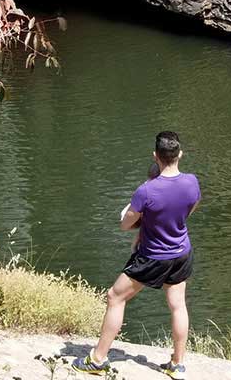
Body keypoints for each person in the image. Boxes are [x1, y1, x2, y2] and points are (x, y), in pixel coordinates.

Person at [74, 131, 200, 379]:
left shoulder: (147, 190)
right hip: (182, 251)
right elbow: (189, 209)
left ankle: (97, 360)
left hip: (153, 256)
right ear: (180, 154)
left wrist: (143, 226)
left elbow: (125, 223)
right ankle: (177, 365)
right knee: (177, 305)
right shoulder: (192, 182)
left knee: (115, 297)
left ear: (156, 156)